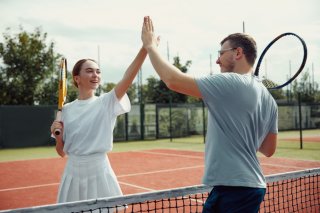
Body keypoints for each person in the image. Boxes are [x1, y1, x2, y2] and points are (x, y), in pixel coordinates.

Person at [141, 16, 278, 213]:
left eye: (221, 53)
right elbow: (268, 149)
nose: (217, 60)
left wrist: (150, 46)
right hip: (239, 187)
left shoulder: (232, 82)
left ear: (237, 53)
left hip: (236, 190)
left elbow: (173, 80)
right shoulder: (269, 99)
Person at [50, 47, 147, 203]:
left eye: (98, 71)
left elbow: (128, 78)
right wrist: (58, 137)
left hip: (99, 170)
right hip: (72, 172)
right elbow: (61, 152)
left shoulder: (106, 102)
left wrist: (145, 49)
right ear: (77, 78)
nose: (95, 75)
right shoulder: (65, 110)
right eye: (89, 71)